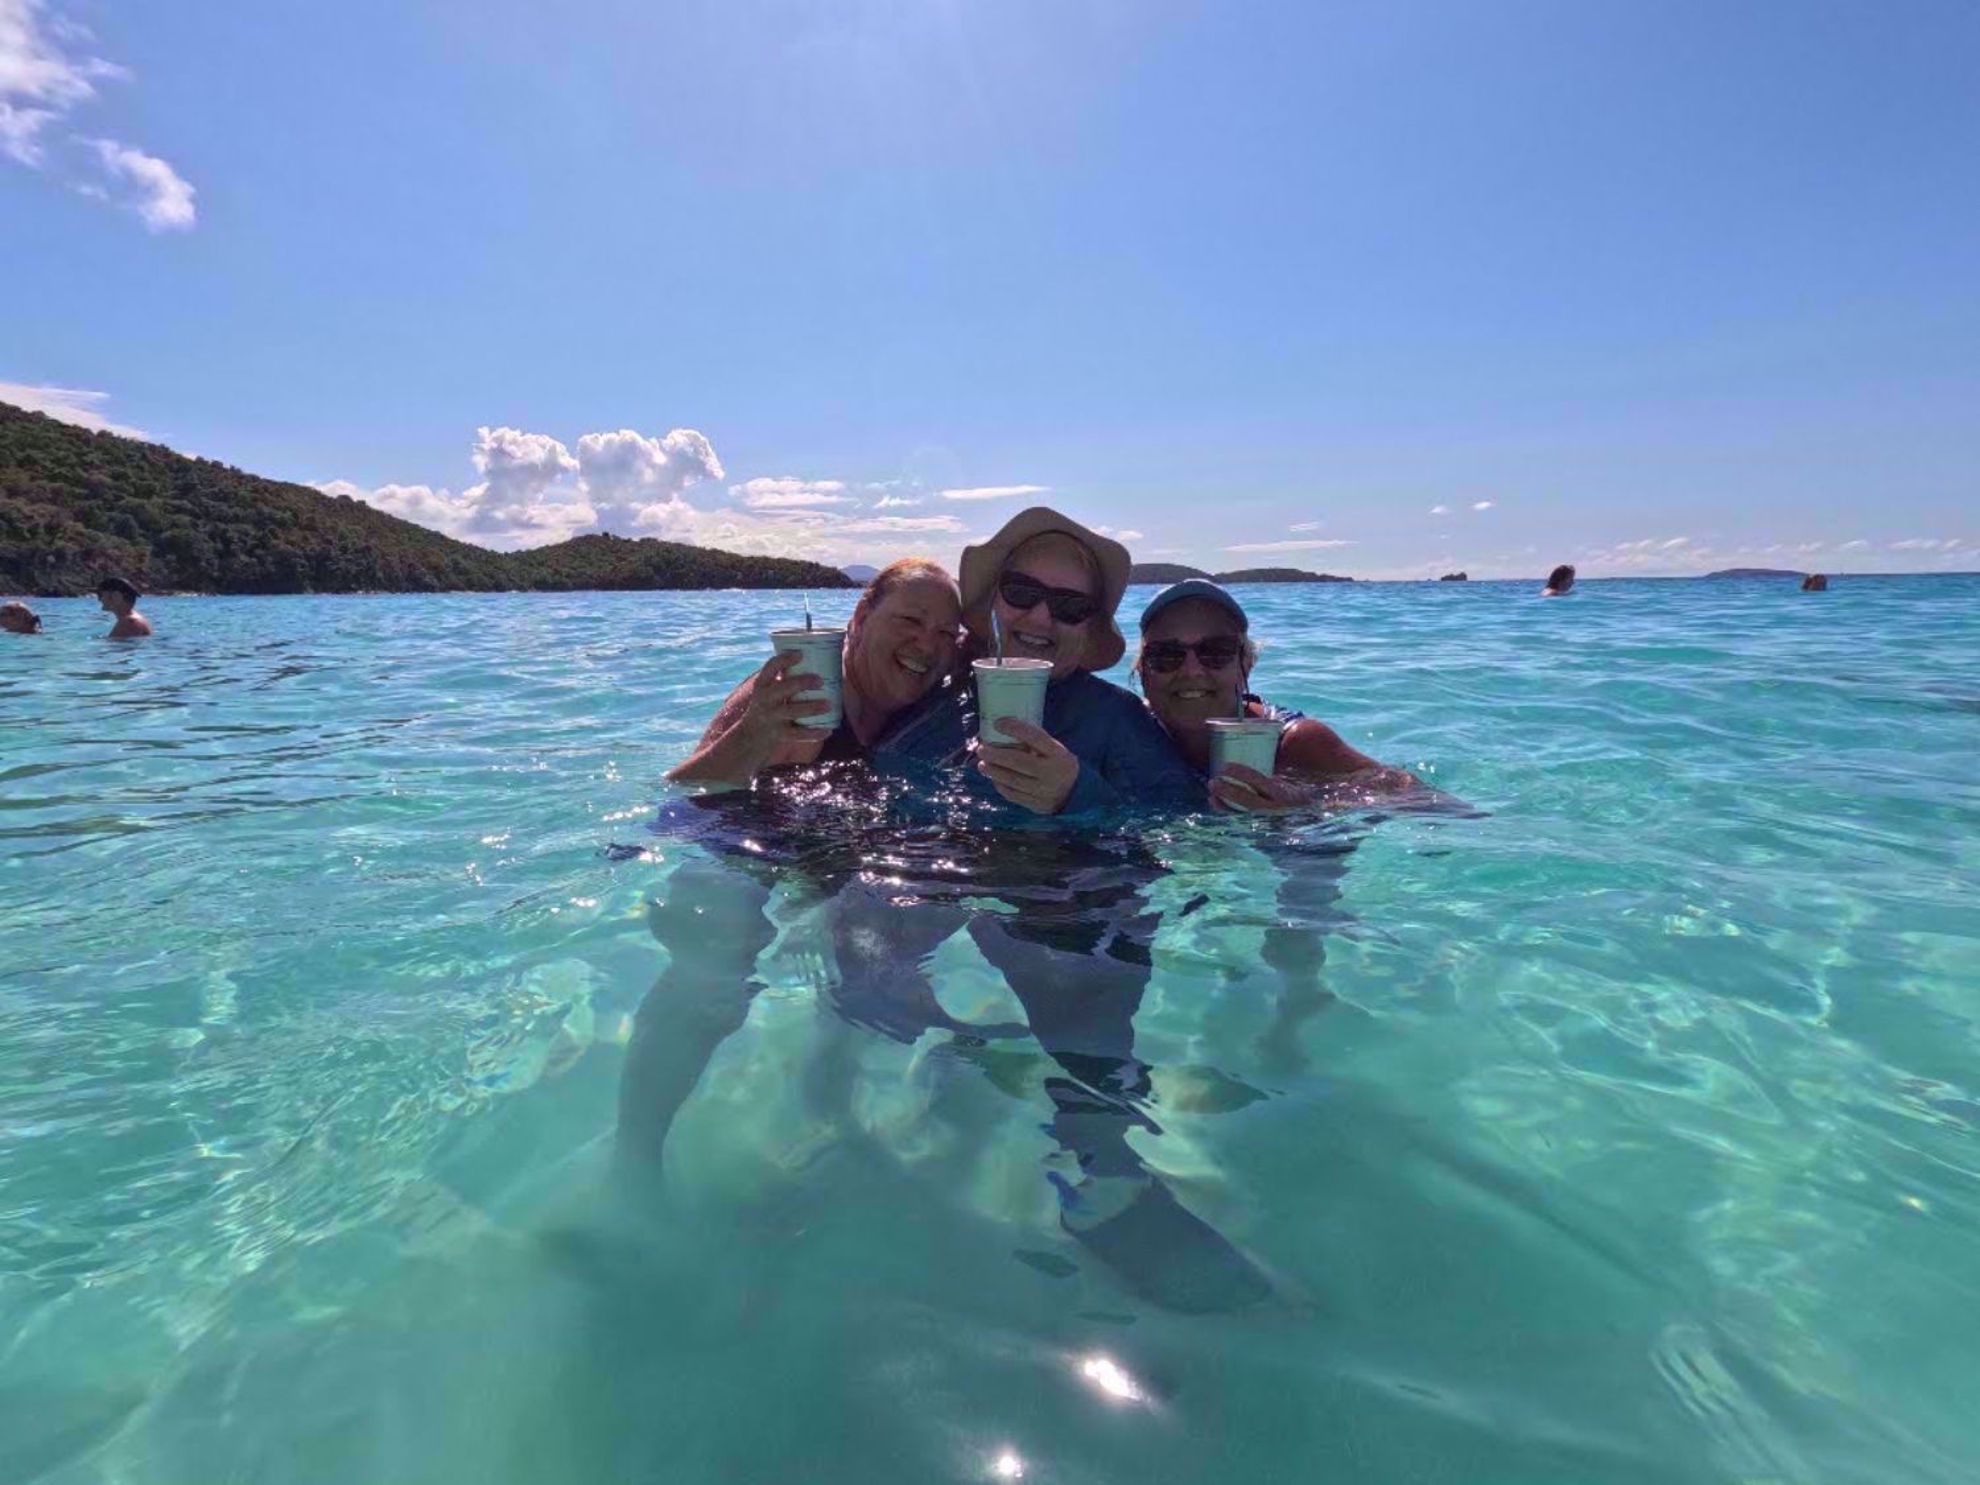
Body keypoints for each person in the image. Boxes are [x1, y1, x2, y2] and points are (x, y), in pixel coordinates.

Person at [668, 558, 964, 787]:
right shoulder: (791, 695)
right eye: (910, 620)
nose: (927, 645)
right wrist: (751, 734)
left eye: (946, 633)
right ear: (861, 618)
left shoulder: (936, 710)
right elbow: (680, 797)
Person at [1135, 578, 1416, 814]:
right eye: (1166, 655)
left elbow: (1420, 799)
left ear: (1246, 663)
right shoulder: (1125, 730)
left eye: (1216, 651)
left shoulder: (1293, 743)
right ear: (1141, 669)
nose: (1192, 671)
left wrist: (1309, 805)